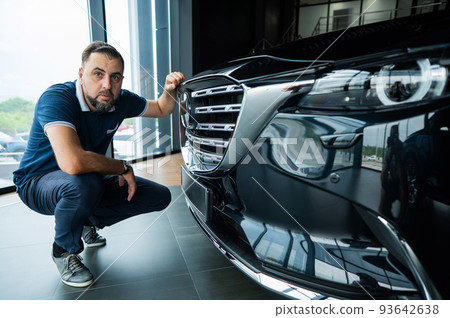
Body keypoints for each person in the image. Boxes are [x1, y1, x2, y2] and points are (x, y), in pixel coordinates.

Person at [13, 41, 185, 288]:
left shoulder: (120, 100)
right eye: (98, 74)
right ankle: (63, 251)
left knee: (158, 196)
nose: (107, 85)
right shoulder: (57, 99)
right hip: (36, 182)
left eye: (115, 77)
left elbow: (160, 108)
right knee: (83, 183)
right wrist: (121, 167)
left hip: (83, 179)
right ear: (81, 75)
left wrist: (170, 89)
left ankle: (83, 220)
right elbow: (72, 163)